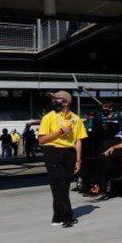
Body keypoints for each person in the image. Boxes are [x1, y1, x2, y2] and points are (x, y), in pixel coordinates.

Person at [37, 90, 87, 228]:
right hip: (52, 152)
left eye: (56, 99)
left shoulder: (76, 119)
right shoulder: (48, 117)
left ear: (65, 102)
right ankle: (68, 217)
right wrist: (59, 132)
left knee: (63, 187)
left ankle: (57, 216)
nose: (53, 102)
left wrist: (78, 160)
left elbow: (78, 141)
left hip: (70, 154)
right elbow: (41, 140)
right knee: (58, 184)